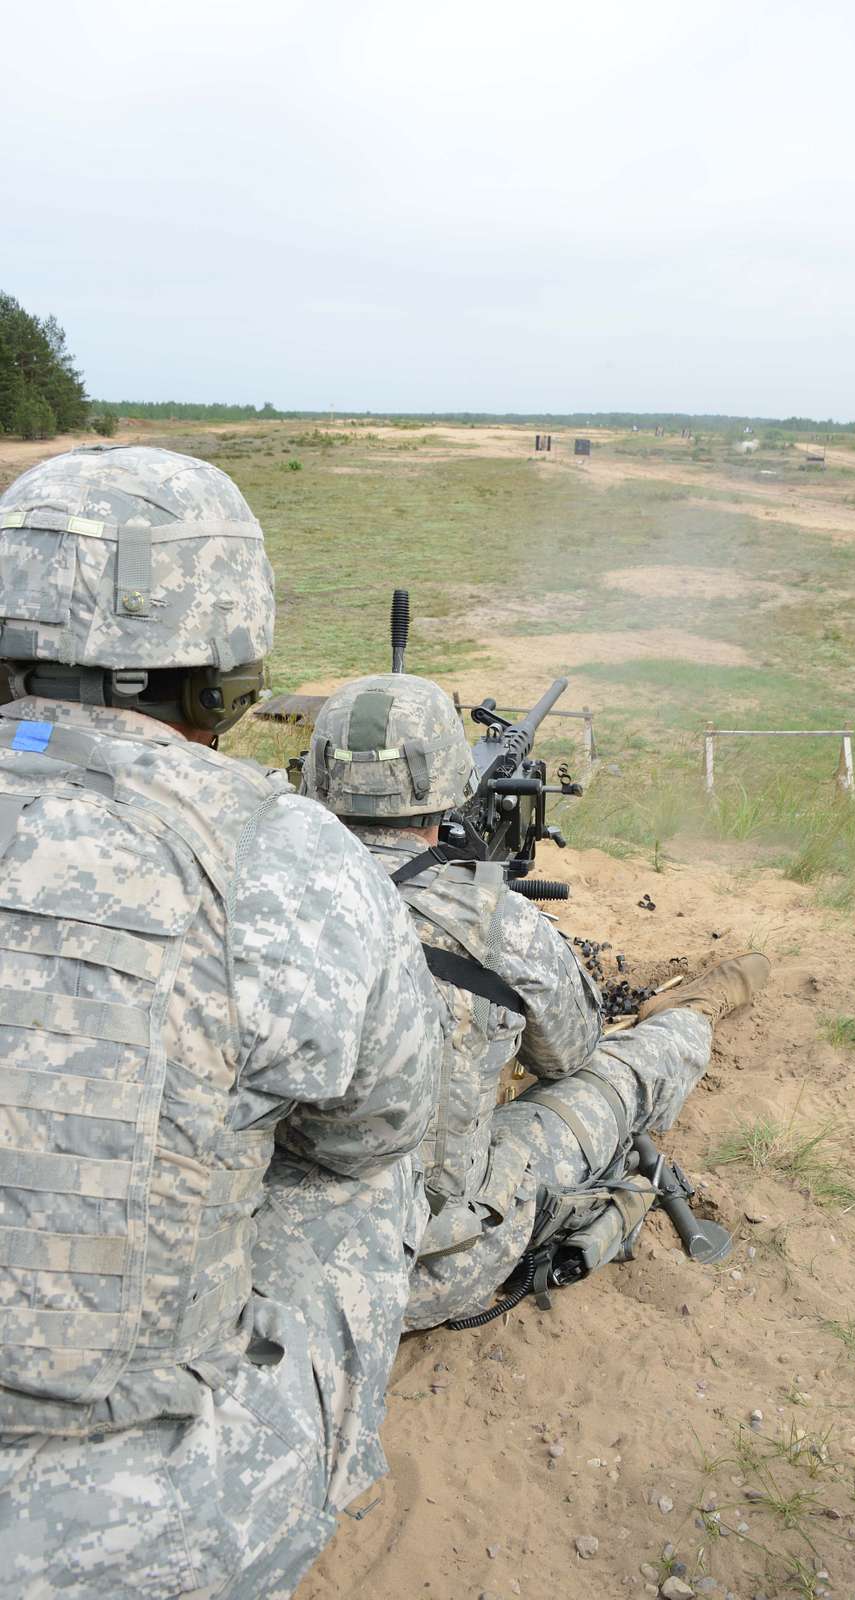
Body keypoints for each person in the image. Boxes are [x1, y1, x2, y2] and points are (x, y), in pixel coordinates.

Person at [0, 446, 440, 1599]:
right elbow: (375, 1128)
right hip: (127, 1535)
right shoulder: (293, 855)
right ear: (225, 675)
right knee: (360, 1181)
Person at [302, 671, 768, 1328]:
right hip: (422, 1274)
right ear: (452, 786)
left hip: (269, 1267)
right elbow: (571, 1053)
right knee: (622, 1071)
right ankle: (699, 1011)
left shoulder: (249, 898)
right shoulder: (496, 921)